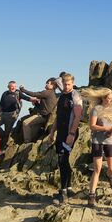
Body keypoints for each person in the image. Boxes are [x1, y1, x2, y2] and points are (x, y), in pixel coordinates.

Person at [48, 73, 83, 205]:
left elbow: (78, 116)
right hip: (61, 132)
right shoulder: (62, 96)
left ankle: (63, 193)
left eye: (69, 84)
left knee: (62, 159)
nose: (67, 87)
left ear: (72, 83)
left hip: (70, 133)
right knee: (63, 159)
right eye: (65, 84)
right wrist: (52, 132)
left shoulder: (76, 96)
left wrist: (72, 133)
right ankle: (68, 188)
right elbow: (58, 116)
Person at [84, 87, 112, 207]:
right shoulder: (96, 109)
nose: (110, 101)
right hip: (97, 141)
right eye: (108, 99)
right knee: (97, 168)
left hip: (110, 141)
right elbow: (92, 126)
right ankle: (91, 195)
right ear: (102, 98)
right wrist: (105, 128)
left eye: (111, 99)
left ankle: (109, 176)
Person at [19, 78, 59, 143]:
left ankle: (27, 142)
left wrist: (23, 90)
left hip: (43, 117)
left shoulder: (48, 92)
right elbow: (45, 107)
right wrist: (37, 104)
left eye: (48, 83)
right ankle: (29, 141)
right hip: (47, 117)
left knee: (25, 123)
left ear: (53, 85)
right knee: (33, 132)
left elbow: (34, 94)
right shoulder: (52, 93)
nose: (46, 84)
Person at [0, 81, 30, 150]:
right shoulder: (5, 93)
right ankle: (2, 135)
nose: (13, 87)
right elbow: (0, 105)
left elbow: (26, 98)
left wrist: (34, 100)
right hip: (2, 114)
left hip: (12, 115)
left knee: (7, 132)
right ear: (8, 87)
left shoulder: (18, 93)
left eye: (15, 86)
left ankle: (2, 148)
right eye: (12, 86)